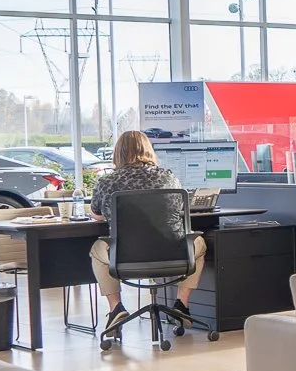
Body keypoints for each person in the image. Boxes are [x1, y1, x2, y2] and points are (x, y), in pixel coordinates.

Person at [87, 130, 207, 338]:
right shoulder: (168, 176)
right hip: (173, 253)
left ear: (118, 154)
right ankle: (181, 303)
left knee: (97, 248)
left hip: (127, 256)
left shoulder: (106, 182)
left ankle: (116, 307)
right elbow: (177, 207)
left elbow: (97, 214)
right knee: (200, 243)